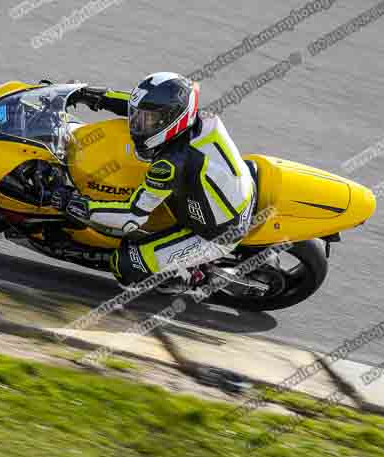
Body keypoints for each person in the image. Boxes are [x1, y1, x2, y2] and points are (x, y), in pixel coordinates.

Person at [52, 72, 256, 293]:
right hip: (233, 190)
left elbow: (131, 216)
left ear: (172, 119)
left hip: (214, 233)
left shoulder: (169, 164)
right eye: (138, 116)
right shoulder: (199, 118)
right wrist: (91, 96)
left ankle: (191, 279)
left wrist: (74, 203)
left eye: (147, 120)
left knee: (126, 267)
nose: (137, 125)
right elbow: (139, 105)